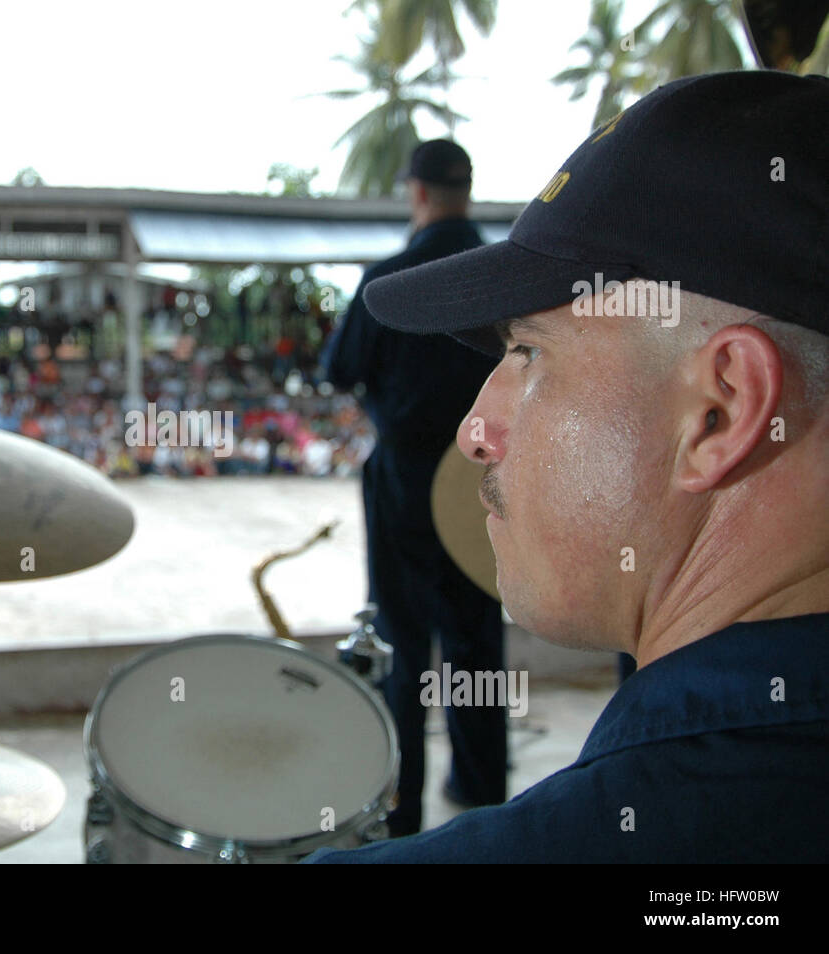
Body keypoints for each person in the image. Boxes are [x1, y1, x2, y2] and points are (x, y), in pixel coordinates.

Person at [307, 70, 829, 862]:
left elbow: (339, 372)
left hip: (399, 505)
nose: (477, 430)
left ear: (720, 410)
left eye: (527, 352)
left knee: (405, 652)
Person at [321, 140, 506, 836]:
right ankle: (483, 793)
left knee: (402, 644)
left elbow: (340, 370)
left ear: (418, 193)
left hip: (404, 479)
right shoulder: (504, 276)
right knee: (475, 642)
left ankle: (403, 818)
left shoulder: (390, 279)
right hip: (484, 482)